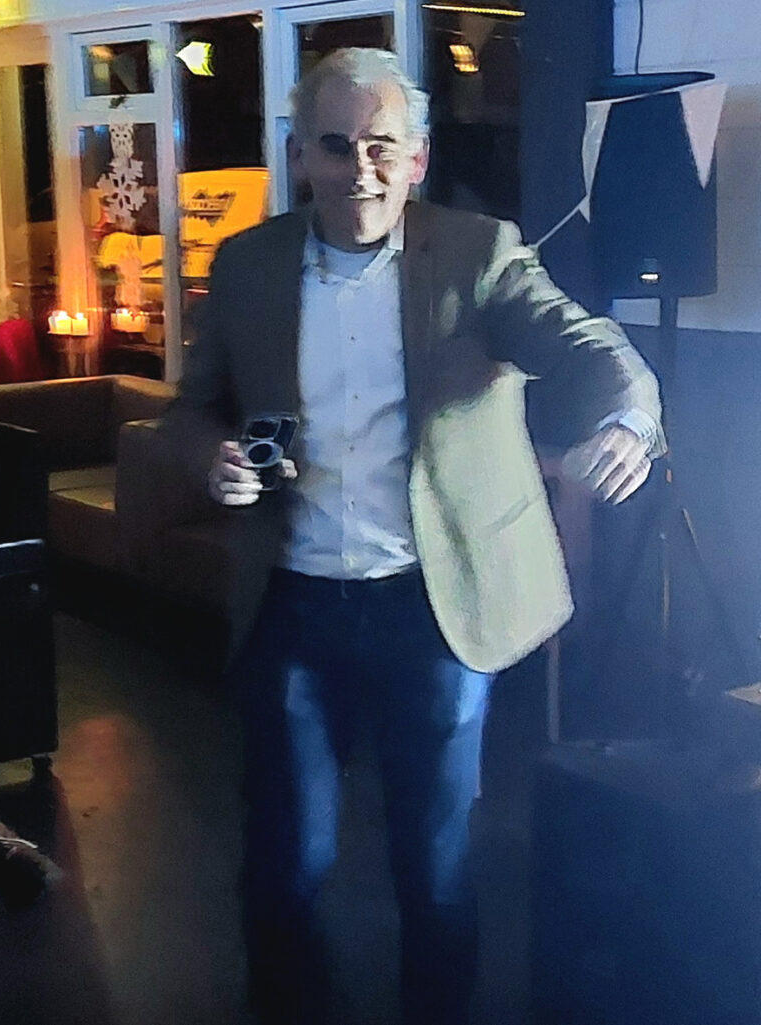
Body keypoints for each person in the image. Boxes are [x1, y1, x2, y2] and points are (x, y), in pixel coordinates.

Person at [163, 47, 665, 1025]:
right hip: (294, 602)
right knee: (285, 860)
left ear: (418, 156)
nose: (361, 168)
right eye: (336, 145)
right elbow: (194, 407)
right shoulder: (248, 265)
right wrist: (210, 454)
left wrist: (630, 419)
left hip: (432, 605)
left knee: (432, 864)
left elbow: (587, 344)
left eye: (381, 145)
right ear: (299, 154)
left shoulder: (478, 255)